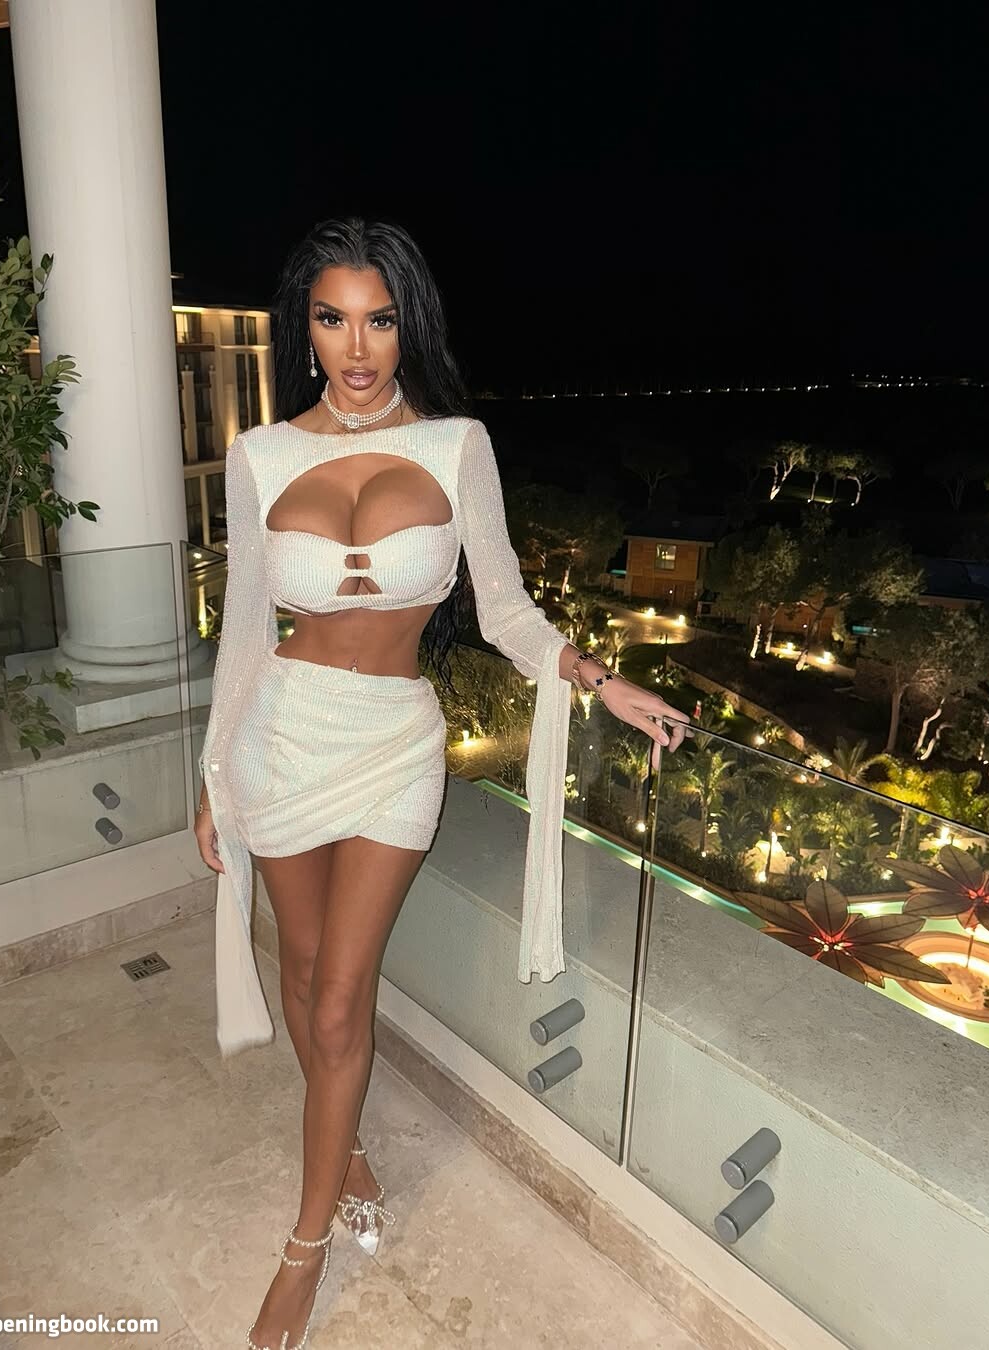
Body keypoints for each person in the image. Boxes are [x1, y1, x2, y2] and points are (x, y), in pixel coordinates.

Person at [192, 216, 689, 1350]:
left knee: (337, 998)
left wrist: (596, 677)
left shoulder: (459, 445)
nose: (357, 347)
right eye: (333, 319)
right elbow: (244, 634)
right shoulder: (261, 455)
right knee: (303, 971)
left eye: (379, 320)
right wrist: (212, 772)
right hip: (279, 734)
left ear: (408, 325)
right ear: (305, 329)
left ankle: (304, 1249)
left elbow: (503, 607)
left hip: (393, 749)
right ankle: (348, 1147)